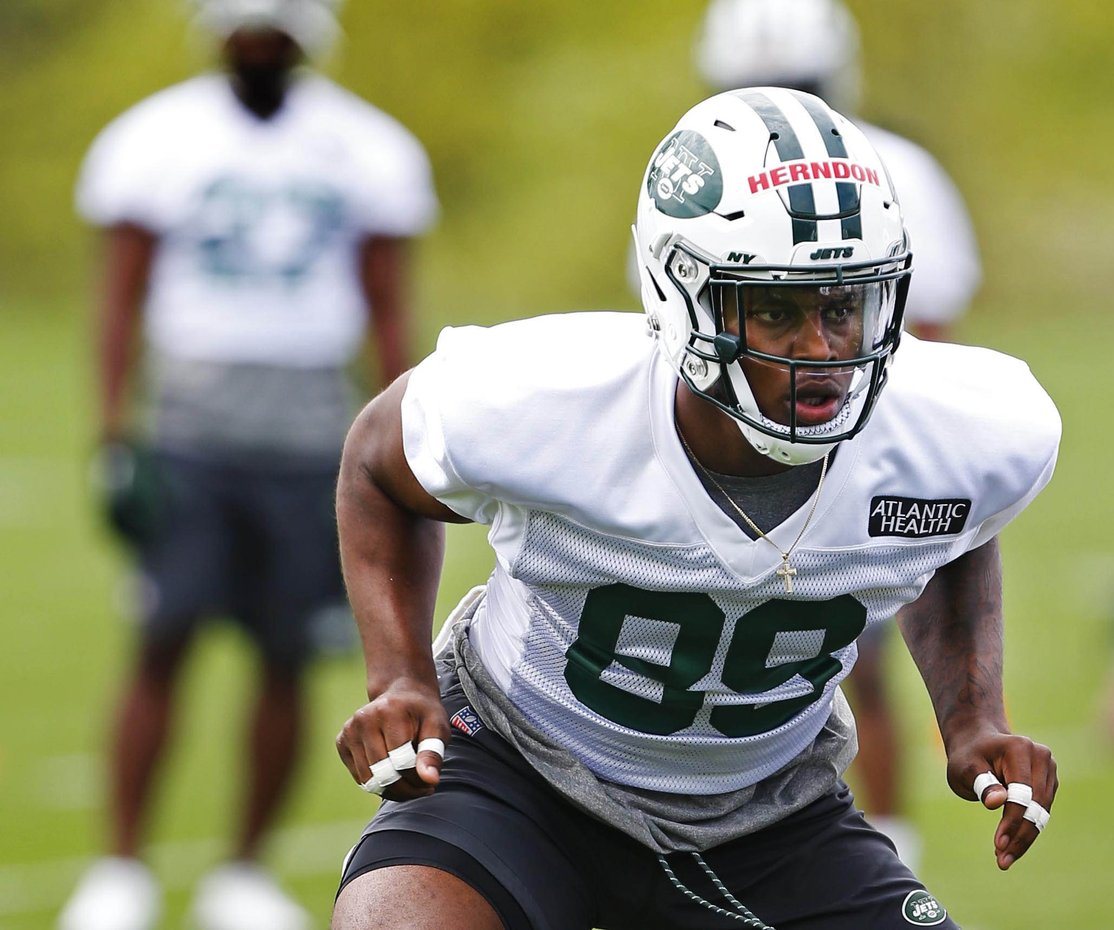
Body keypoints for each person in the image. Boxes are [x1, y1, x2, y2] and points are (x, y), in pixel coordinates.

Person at [330, 87, 1059, 930]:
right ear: (683, 298)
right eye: (778, 309)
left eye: (843, 305)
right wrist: (400, 676)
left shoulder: (963, 426)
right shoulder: (543, 400)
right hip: (517, 769)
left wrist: (972, 719)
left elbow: (955, 520)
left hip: (771, 811)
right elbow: (377, 466)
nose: (822, 350)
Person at [58, 2, 438, 929]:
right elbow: (121, 297)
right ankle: (120, 870)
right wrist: (114, 435)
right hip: (193, 428)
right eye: (247, 38)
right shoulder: (155, 139)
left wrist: (413, 444)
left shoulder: (366, 149)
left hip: (315, 436)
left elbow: (388, 309)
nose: (261, 53)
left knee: (283, 655)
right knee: (162, 641)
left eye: (276, 39)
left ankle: (243, 870)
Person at [695, 0, 984, 866]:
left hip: (857, 435)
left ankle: (879, 846)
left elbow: (927, 330)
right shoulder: (703, 175)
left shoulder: (895, 172)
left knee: (856, 656)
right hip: (735, 449)